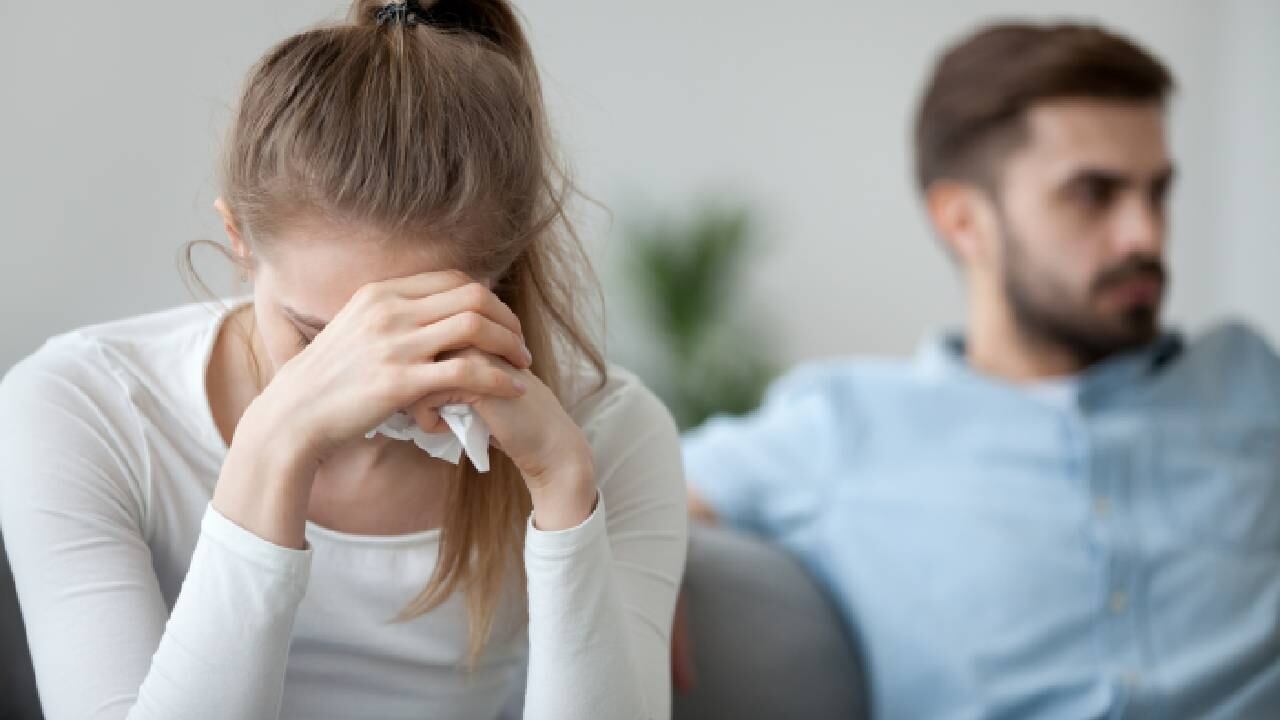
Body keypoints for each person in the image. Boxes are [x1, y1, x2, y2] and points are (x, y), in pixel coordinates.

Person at [0, 2, 687, 718]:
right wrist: (275, 447)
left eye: (421, 331)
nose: (369, 383)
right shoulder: (83, 405)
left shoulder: (609, 434)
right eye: (316, 335)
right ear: (238, 238)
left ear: (498, 273)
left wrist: (568, 498)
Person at [683, 22, 1280, 718]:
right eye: (1095, 194)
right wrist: (636, 568)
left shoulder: (1247, 380)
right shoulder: (842, 424)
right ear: (964, 221)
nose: (1145, 233)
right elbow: (631, 488)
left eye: (1158, 193)